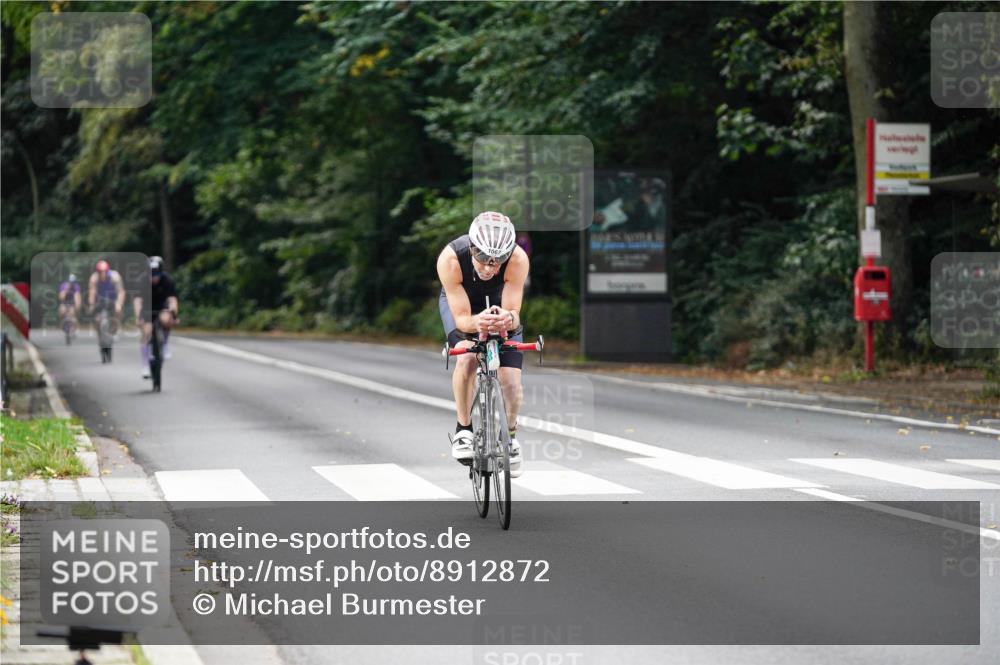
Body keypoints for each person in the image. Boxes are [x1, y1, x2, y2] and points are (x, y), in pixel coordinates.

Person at [437, 211, 529, 478]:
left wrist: (507, 318)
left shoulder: (518, 259)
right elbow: (463, 319)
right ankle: (463, 430)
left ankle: (510, 438)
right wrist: (478, 323)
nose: (489, 267)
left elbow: (514, 312)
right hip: (463, 304)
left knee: (511, 380)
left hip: (499, 304)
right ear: (473, 247)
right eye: (483, 259)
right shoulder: (451, 259)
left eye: (497, 260)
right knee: (466, 357)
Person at [132, 256, 179, 379]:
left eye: (156, 275)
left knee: (166, 319)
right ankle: (145, 365)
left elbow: (172, 299)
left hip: (162, 306)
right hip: (147, 307)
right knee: (146, 332)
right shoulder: (141, 280)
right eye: (152, 275)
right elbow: (137, 300)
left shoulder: (167, 280)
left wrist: (174, 313)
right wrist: (138, 317)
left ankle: (164, 345)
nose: (154, 278)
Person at [88, 260, 125, 334]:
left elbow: (121, 291)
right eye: (100, 272)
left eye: (104, 271)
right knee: (97, 318)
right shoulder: (94, 278)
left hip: (113, 299)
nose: (102, 273)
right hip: (100, 300)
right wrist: (91, 304)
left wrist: (119, 304)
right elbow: (92, 292)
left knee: (118, 311)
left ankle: (114, 328)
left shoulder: (115, 276)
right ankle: (99, 332)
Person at [57, 274, 82, 338]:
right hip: (64, 301)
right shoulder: (63, 285)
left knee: (72, 314)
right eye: (70, 282)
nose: (71, 283)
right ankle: (62, 324)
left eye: (72, 282)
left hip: (72, 302)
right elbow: (61, 297)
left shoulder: (76, 287)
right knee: (62, 311)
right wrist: (66, 290)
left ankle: (73, 329)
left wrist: (77, 306)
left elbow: (77, 296)